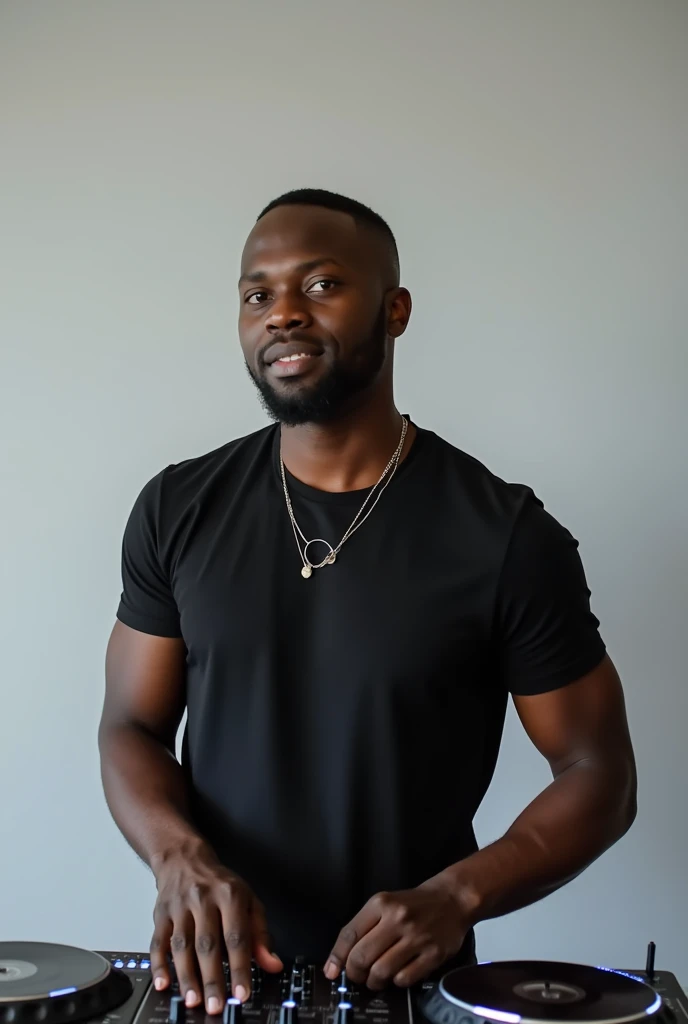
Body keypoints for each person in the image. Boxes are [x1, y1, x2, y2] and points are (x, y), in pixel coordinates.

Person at [99, 189, 637, 1015]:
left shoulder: (505, 536)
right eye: (257, 294)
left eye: (320, 285)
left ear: (395, 310)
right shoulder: (178, 508)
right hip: (212, 979)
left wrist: (459, 895)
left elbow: (600, 774)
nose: (281, 313)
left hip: (405, 986)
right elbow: (130, 725)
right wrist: (177, 858)